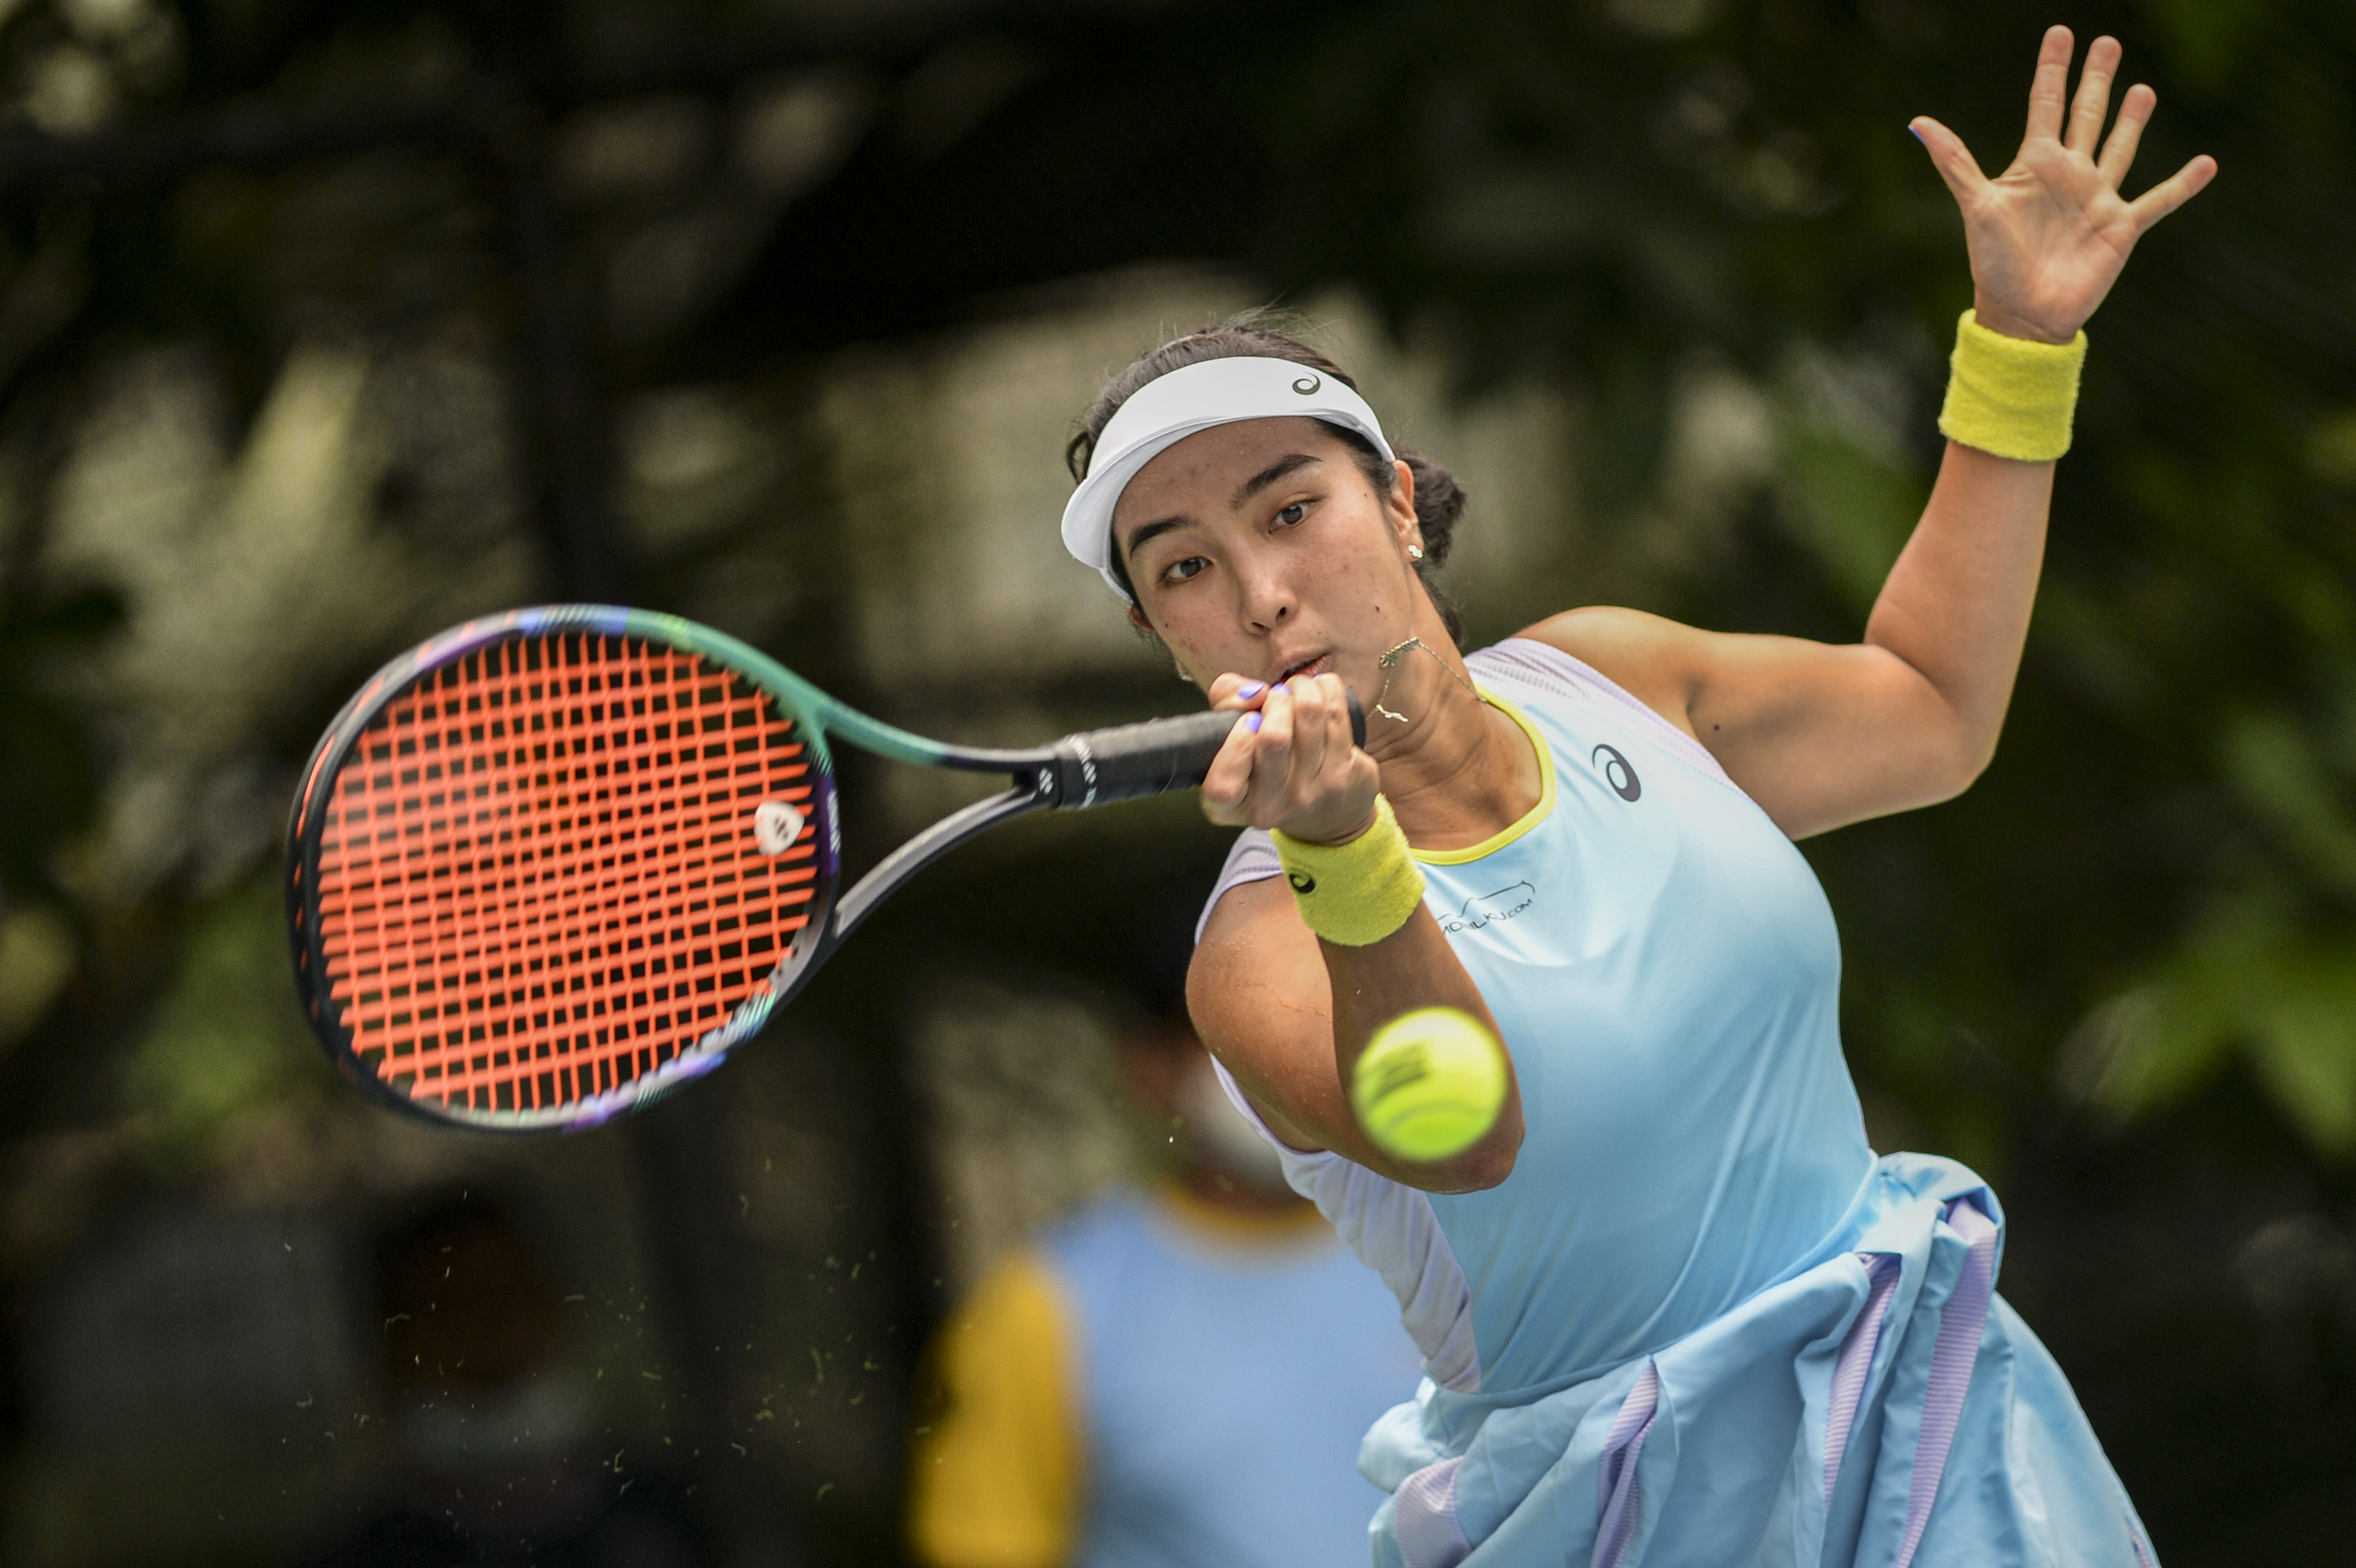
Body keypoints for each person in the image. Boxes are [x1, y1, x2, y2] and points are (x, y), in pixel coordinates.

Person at [1053, 28, 2211, 1568]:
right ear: (1163, 634)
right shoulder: (1254, 953)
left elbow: (1931, 710)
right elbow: (1463, 1130)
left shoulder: (1613, 675)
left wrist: (2019, 345)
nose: (1264, 592)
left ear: (1397, 496)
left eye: (1292, 506)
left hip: (1926, 1436)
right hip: (1622, 1516)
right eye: (1186, 566)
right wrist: (1338, 844)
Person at [906, 990, 1424, 1568]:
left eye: (1314, 1024)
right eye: (1239, 1034)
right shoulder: (1047, 1304)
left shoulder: (1471, 1252)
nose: (1287, 1060)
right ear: (1150, 1068)